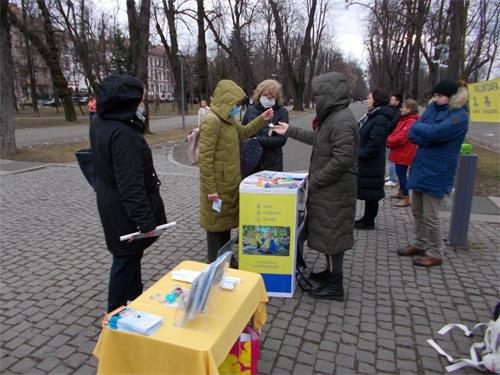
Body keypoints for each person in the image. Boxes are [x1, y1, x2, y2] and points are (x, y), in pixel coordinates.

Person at [271, 72, 359, 301]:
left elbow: (343, 160)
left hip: (335, 190)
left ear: (329, 95)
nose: (316, 99)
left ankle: (335, 286)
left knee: (333, 235)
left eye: (319, 95)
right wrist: (289, 130)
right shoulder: (334, 117)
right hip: (330, 189)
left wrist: (316, 179)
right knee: (329, 232)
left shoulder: (342, 120)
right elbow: (317, 139)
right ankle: (330, 274)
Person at [90, 75, 167, 312]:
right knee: (124, 260)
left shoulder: (100, 121)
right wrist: (146, 222)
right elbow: (130, 185)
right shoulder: (124, 134)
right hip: (123, 209)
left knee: (131, 257)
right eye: (141, 100)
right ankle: (113, 314)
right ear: (127, 102)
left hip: (111, 202)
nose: (143, 104)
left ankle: (136, 301)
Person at [198, 80, 273, 262]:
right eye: (236, 104)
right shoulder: (212, 121)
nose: (237, 108)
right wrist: (211, 190)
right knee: (215, 228)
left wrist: (262, 119)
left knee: (224, 226)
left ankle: (225, 260)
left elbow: (245, 132)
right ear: (226, 101)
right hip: (217, 187)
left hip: (229, 184)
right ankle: (215, 264)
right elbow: (205, 159)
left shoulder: (228, 120)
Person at [398, 80, 469, 267]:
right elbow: (415, 132)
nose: (435, 98)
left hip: (438, 170)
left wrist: (426, 134)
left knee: (431, 215)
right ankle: (420, 243)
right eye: (435, 95)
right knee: (417, 210)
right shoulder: (432, 109)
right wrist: (426, 135)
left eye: (440, 95)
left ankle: (435, 252)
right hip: (421, 166)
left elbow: (437, 133)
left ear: (451, 96)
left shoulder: (458, 116)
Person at [355, 89, 393, 230]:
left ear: (376, 101)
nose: (367, 100)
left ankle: (369, 221)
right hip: (368, 161)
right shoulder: (372, 116)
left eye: (369, 98)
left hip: (372, 162)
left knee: (372, 193)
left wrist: (359, 154)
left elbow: (375, 143)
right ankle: (366, 218)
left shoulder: (380, 119)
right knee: (369, 191)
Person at [241, 79, 288, 175]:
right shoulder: (250, 111)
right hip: (250, 161)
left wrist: (258, 140)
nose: (268, 99)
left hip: (272, 162)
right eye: (266, 96)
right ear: (259, 94)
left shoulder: (282, 112)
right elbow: (242, 132)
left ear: (277, 97)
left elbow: (281, 139)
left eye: (272, 97)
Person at [386, 99, 419, 207]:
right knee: (400, 173)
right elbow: (396, 133)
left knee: (402, 174)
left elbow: (401, 137)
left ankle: (406, 197)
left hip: (404, 152)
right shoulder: (405, 119)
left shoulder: (410, 121)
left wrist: (388, 140)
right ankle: (401, 192)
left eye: (403, 107)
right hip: (400, 151)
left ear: (409, 109)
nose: (401, 109)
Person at [385, 94, 402, 187]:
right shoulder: (391, 109)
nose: (390, 101)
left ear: (397, 101)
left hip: (392, 137)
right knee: (388, 157)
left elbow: (393, 123)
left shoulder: (398, 111)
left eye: (392, 99)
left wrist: (386, 126)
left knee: (392, 158)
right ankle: (391, 175)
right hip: (389, 136)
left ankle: (393, 178)